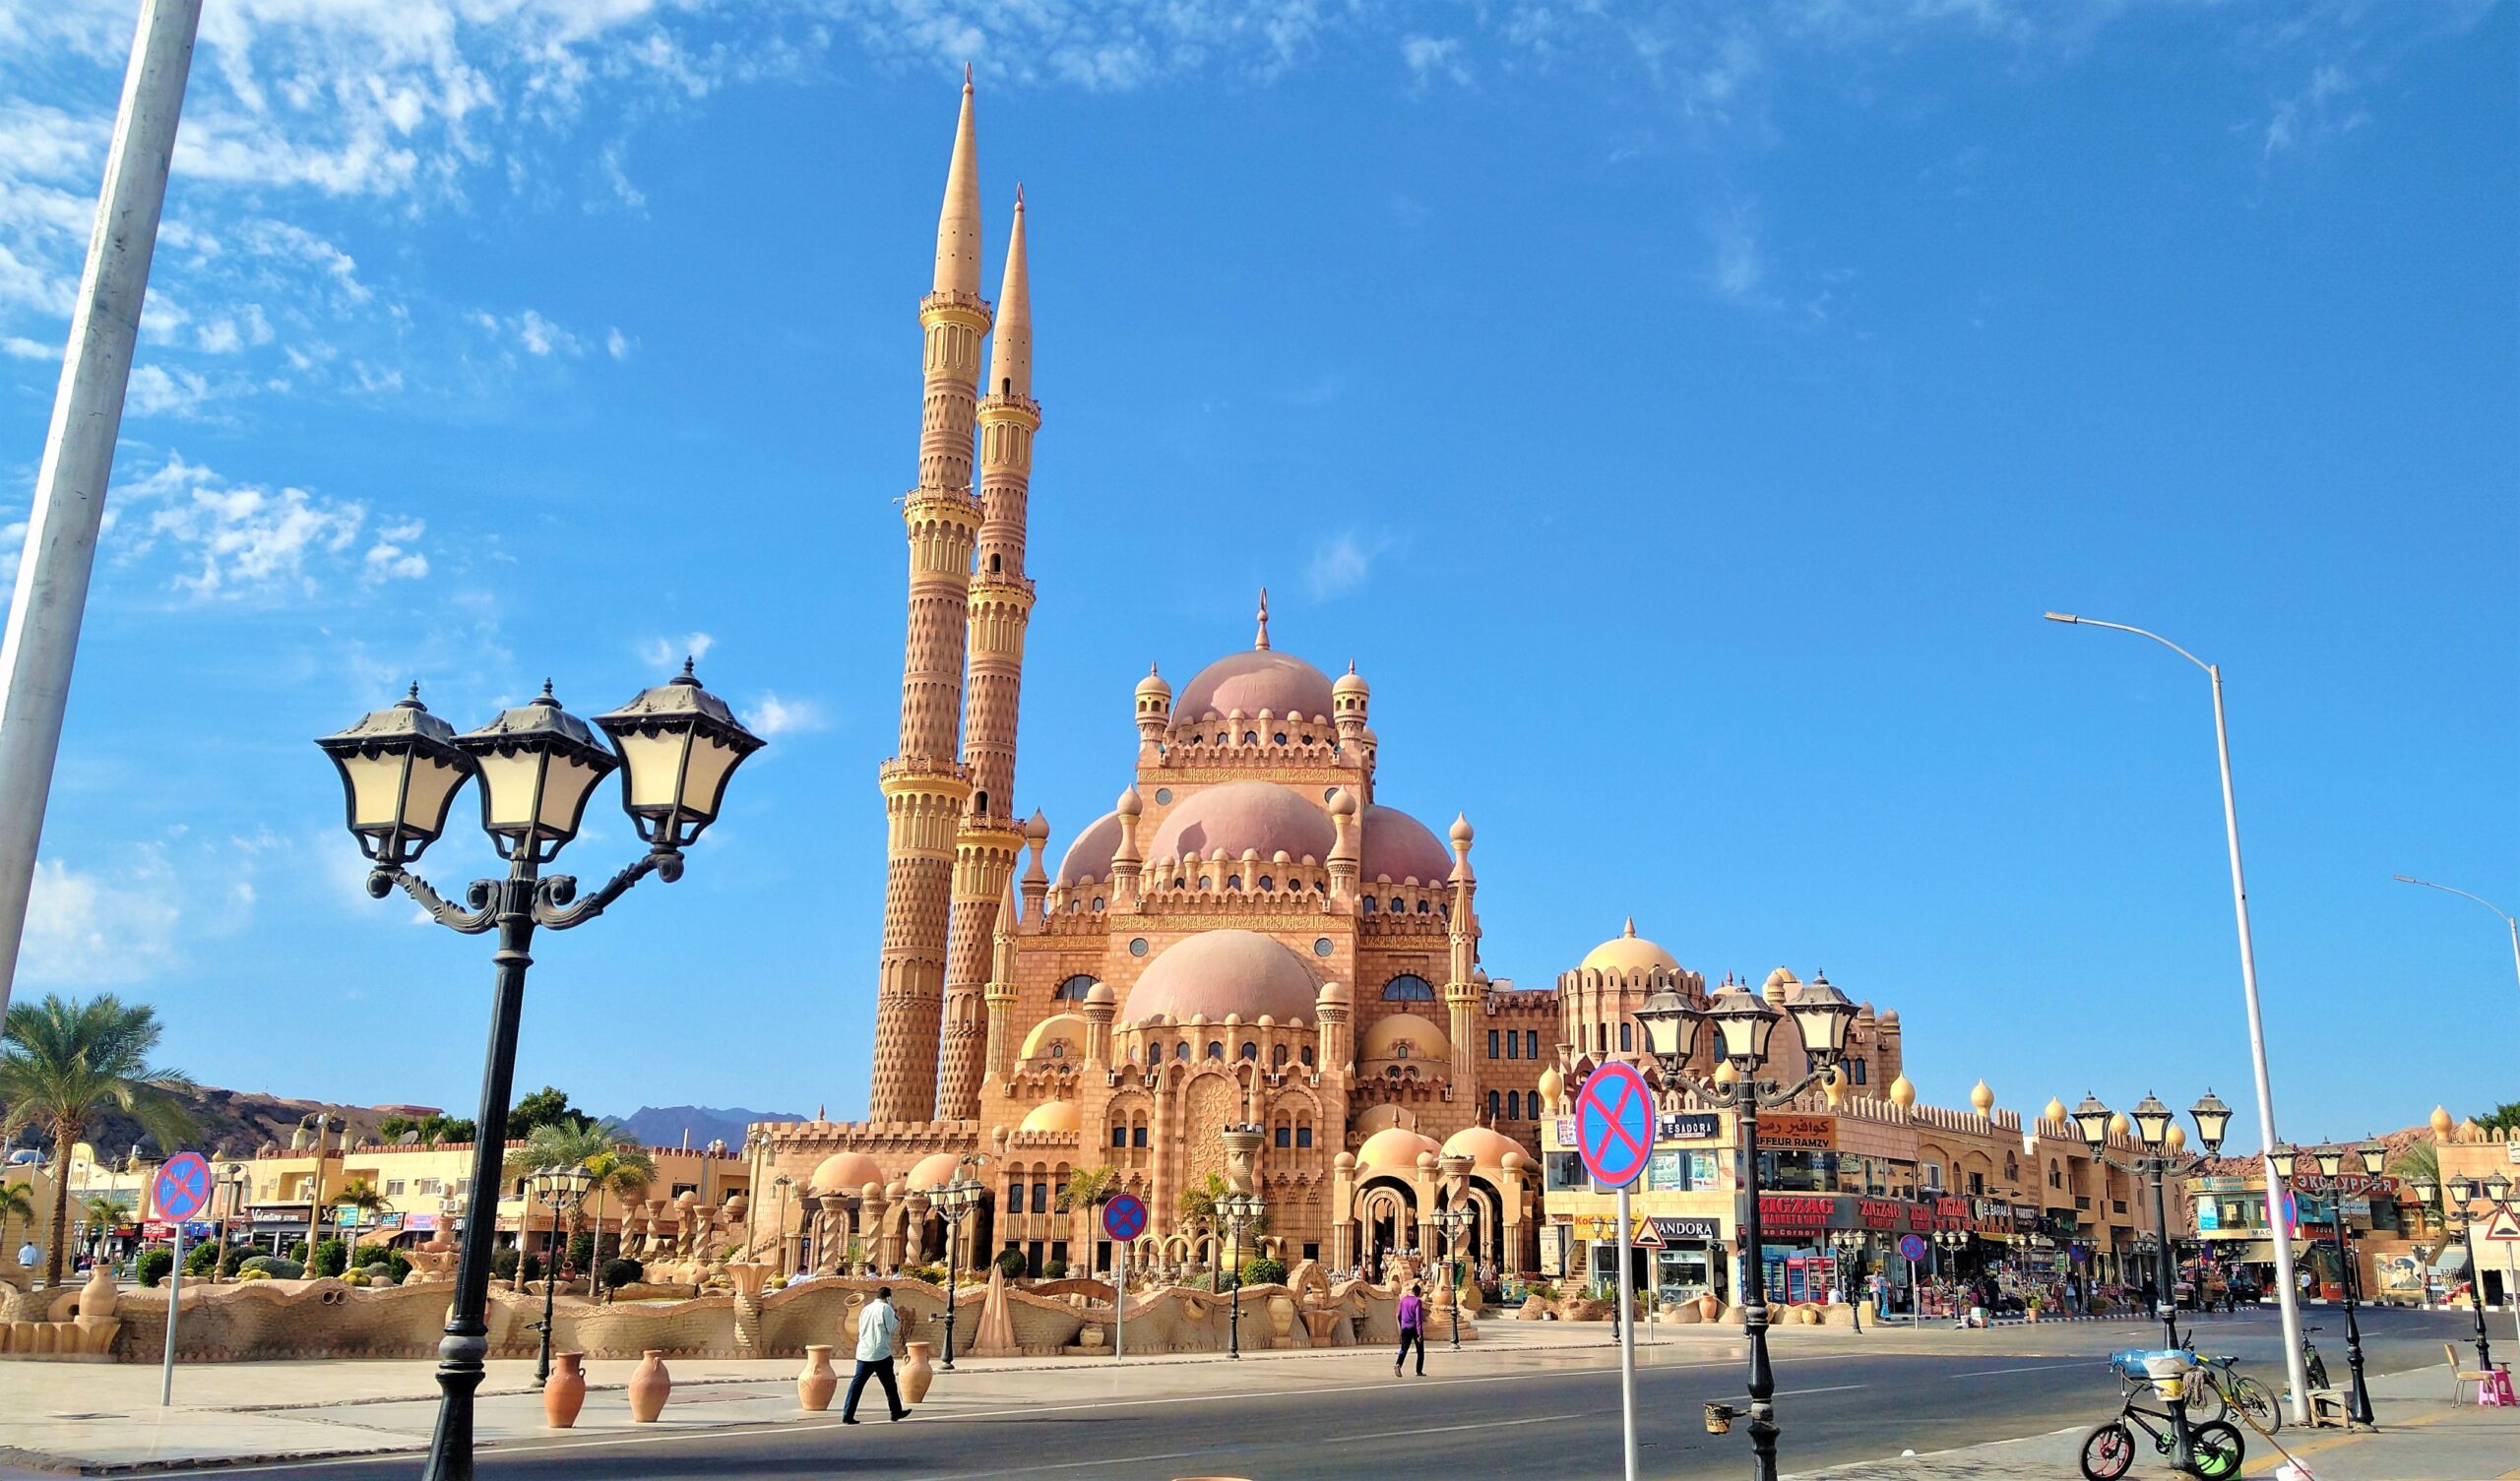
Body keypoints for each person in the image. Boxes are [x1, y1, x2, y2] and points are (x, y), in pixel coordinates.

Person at [841, 1286, 912, 1424]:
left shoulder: (866, 1309)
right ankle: (895, 1412)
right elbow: (891, 1328)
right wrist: (895, 1315)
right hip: (880, 1352)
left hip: (864, 1351)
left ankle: (847, 1414)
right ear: (888, 1297)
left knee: (857, 1384)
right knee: (889, 1384)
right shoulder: (886, 1309)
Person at [1395, 1281, 1426, 1377]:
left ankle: (1398, 1364)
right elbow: (1418, 1319)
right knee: (1420, 1350)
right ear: (1418, 1293)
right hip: (1415, 1329)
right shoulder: (1417, 1301)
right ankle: (1419, 1370)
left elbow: (1398, 1314)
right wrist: (1420, 1333)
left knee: (1404, 1348)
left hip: (1405, 1327)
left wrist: (1401, 1326)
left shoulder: (1403, 1300)